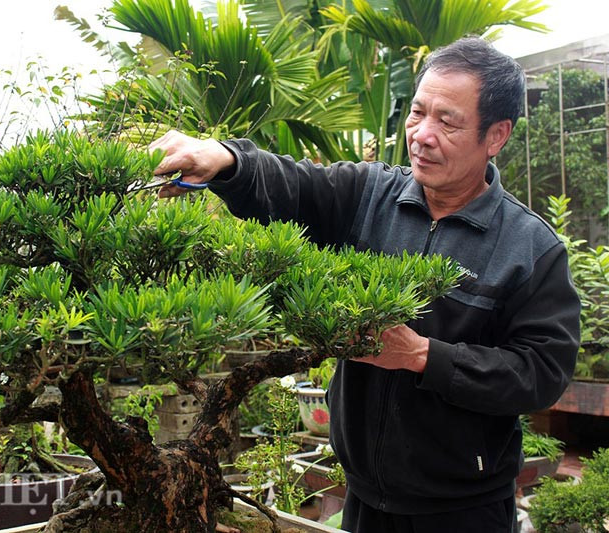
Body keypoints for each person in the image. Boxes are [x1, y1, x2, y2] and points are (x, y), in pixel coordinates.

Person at [149, 37, 580, 532]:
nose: (422, 135)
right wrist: (227, 159)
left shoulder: (530, 248)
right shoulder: (370, 195)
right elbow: (298, 184)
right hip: (363, 499)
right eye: (417, 113)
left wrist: (423, 356)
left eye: (447, 121)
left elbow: (542, 372)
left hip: (464, 509)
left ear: (496, 135)